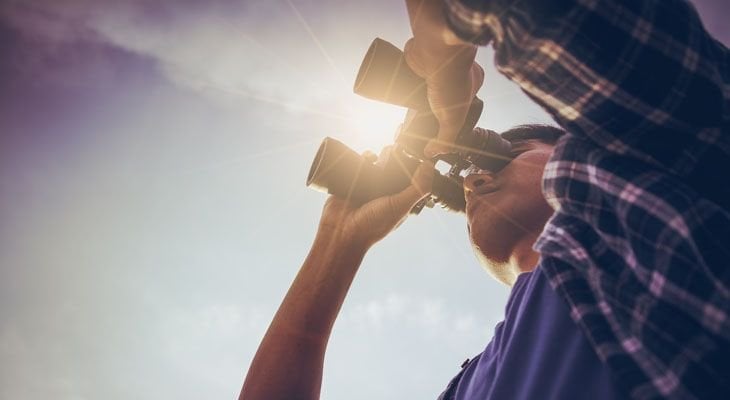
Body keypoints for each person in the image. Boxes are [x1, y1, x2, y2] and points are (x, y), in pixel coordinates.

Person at [240, 0, 730, 398]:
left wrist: (444, 40)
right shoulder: (470, 387)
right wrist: (339, 242)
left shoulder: (656, 171)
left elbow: (616, 37)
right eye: (466, 177)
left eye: (508, 153)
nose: (473, 179)